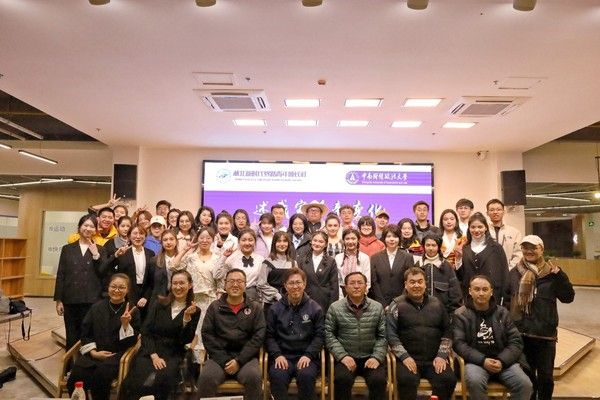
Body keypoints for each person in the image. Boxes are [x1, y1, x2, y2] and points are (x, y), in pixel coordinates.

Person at [509, 235, 575, 400]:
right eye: (525, 247)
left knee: (546, 378)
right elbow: (506, 299)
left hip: (545, 335)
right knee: (527, 377)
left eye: (533, 247)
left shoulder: (553, 273)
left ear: (542, 249)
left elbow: (568, 297)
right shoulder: (514, 273)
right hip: (522, 333)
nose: (529, 251)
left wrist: (560, 277)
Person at [120, 270, 200, 400]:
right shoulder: (159, 303)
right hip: (150, 350)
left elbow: (185, 339)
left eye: (182, 283)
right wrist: (154, 355)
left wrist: (186, 319)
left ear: (190, 285)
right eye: (175, 283)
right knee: (134, 382)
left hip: (173, 353)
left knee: (163, 380)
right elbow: (146, 331)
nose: (178, 287)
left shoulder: (195, 310)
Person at [453, 275, 532, 400]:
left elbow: (516, 341)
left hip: (503, 362)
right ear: (470, 291)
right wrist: (483, 360)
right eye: (477, 289)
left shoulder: (502, 313)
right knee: (475, 382)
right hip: (475, 363)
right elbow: (459, 344)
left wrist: (502, 361)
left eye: (485, 289)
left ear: (491, 291)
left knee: (525, 385)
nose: (481, 293)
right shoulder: (461, 314)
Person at [67, 273, 141, 400]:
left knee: (100, 377)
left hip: (116, 355)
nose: (117, 290)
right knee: (75, 378)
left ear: (128, 290)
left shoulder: (133, 310)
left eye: (121, 287)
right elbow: (86, 333)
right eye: (113, 286)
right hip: (94, 353)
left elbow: (132, 342)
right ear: (108, 287)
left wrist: (125, 325)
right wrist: (94, 352)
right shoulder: (96, 307)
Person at [387, 267, 456, 400]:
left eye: (420, 281)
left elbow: (447, 332)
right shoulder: (396, 305)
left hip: (434, 359)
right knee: (407, 380)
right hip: (407, 359)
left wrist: (442, 355)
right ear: (405, 284)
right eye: (412, 282)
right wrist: (405, 357)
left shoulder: (437, 304)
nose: (416, 285)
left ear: (425, 284)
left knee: (448, 379)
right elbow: (391, 335)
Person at [197, 268, 266, 400]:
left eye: (239, 281)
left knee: (253, 377)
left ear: (245, 285)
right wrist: (225, 361)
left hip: (246, 359)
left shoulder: (255, 308)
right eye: (231, 281)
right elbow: (207, 334)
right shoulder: (214, 307)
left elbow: (258, 336)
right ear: (225, 284)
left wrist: (239, 360)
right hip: (219, 358)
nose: (235, 284)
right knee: (206, 378)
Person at [325, 271, 388, 400]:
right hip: (346, 357)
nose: (356, 286)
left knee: (378, 380)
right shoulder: (335, 308)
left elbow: (383, 336)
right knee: (342, 379)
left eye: (360, 283)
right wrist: (343, 356)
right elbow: (329, 334)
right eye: (352, 283)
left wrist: (376, 357)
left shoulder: (377, 307)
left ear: (366, 286)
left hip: (370, 357)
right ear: (346, 287)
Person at [266, 268, 324, 400]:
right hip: (282, 356)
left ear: (304, 284)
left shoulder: (315, 308)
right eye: (291, 283)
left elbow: (319, 336)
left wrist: (308, 355)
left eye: (298, 282)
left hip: (306, 357)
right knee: (277, 376)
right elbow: (269, 336)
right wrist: (277, 355)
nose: (295, 286)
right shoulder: (275, 309)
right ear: (285, 285)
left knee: (306, 376)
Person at [55, 214, 104, 351]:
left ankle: (87, 362)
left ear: (95, 230)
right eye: (85, 225)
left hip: (91, 299)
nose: (88, 229)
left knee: (89, 334)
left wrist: (96, 255)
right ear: (79, 227)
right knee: (71, 334)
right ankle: (69, 363)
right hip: (71, 299)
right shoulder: (67, 249)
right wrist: (59, 300)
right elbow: (61, 274)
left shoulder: (100, 249)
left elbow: (103, 272)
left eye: (91, 226)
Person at [175, 226, 221, 350]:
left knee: (208, 331)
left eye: (208, 238)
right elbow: (173, 266)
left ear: (213, 240)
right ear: (197, 239)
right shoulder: (191, 257)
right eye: (202, 237)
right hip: (193, 300)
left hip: (211, 301)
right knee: (193, 330)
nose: (205, 240)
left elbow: (220, 284)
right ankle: (191, 359)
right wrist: (185, 250)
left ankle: (206, 358)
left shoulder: (218, 258)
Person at [456, 213, 510, 306]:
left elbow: (504, 274)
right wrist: (458, 259)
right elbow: (461, 276)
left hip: (493, 297)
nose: (476, 230)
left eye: (480, 227)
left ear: (486, 228)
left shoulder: (496, 248)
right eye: (473, 227)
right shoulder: (464, 248)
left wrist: (504, 298)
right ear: (469, 229)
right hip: (470, 298)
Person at [101, 225, 155, 316]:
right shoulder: (123, 252)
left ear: (145, 236)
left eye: (141, 233)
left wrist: (146, 297)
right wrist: (116, 255)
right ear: (129, 236)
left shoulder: (150, 253)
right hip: (126, 295)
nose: (138, 236)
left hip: (145, 296)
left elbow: (151, 278)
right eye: (135, 233)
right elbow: (104, 269)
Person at [214, 228, 276, 303]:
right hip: (234, 296)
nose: (247, 243)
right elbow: (216, 275)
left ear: (255, 242)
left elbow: (263, 282)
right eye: (243, 240)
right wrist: (224, 257)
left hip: (254, 298)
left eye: (250, 240)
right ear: (238, 242)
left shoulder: (260, 259)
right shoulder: (231, 258)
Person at [413, 234, 462, 314]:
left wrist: (451, 313)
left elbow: (455, 293)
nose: (431, 248)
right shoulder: (418, 265)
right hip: (420, 313)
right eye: (428, 245)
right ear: (423, 246)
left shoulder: (446, 266)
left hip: (442, 313)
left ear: (438, 247)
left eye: (434, 245)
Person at [370, 224, 415, 308]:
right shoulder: (375, 258)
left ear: (399, 238)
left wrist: (399, 302)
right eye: (388, 236)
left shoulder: (408, 257)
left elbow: (409, 280)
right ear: (384, 238)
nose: (391, 239)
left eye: (395, 236)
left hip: (402, 303)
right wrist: (383, 304)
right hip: (380, 304)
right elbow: (374, 282)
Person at [297, 231, 339, 313]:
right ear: (311, 242)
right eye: (315, 240)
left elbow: (334, 286)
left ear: (326, 244)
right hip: (305, 300)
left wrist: (332, 307)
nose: (317, 244)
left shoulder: (331, 261)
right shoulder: (302, 260)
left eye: (321, 241)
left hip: (324, 301)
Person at [486, 199, 523, 270]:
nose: (495, 212)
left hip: (509, 271)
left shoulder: (514, 232)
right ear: (487, 213)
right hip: (487, 272)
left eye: (499, 209)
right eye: (492, 210)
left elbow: (518, 254)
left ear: (504, 212)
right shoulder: (482, 231)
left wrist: (509, 269)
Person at [262, 231, 298, 302]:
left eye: (285, 241)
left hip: (290, 301)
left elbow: (296, 282)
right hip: (272, 302)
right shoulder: (267, 262)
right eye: (279, 241)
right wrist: (276, 294)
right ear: (274, 243)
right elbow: (261, 284)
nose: (282, 244)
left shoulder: (293, 263)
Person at [335, 228, 371, 298]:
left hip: (360, 294)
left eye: (353, 239)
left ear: (358, 240)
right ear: (343, 241)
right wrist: (341, 297)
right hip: (342, 294)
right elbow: (337, 280)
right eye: (347, 239)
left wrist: (361, 296)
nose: (350, 241)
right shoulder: (338, 258)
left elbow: (367, 281)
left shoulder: (364, 257)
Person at [150, 229, 179, 298]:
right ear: (161, 243)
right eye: (165, 240)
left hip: (178, 297)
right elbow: (150, 283)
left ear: (176, 241)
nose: (168, 242)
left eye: (171, 239)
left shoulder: (182, 259)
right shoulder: (154, 260)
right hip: (160, 298)